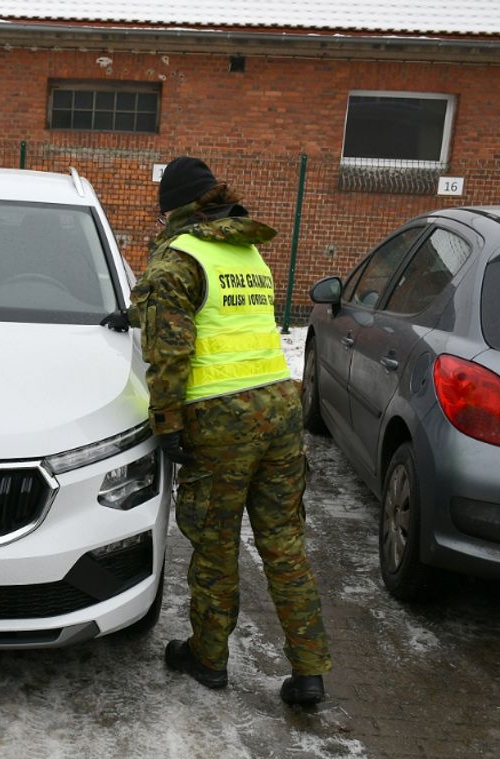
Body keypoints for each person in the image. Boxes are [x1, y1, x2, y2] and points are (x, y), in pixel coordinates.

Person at [129, 157, 331, 705]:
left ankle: (208, 656)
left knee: (216, 543)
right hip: (280, 407)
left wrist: (167, 422)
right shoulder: (246, 250)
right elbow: (216, 314)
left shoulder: (178, 256)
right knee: (284, 541)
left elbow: (170, 349)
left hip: (221, 418)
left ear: (173, 208)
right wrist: (135, 312)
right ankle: (309, 671)